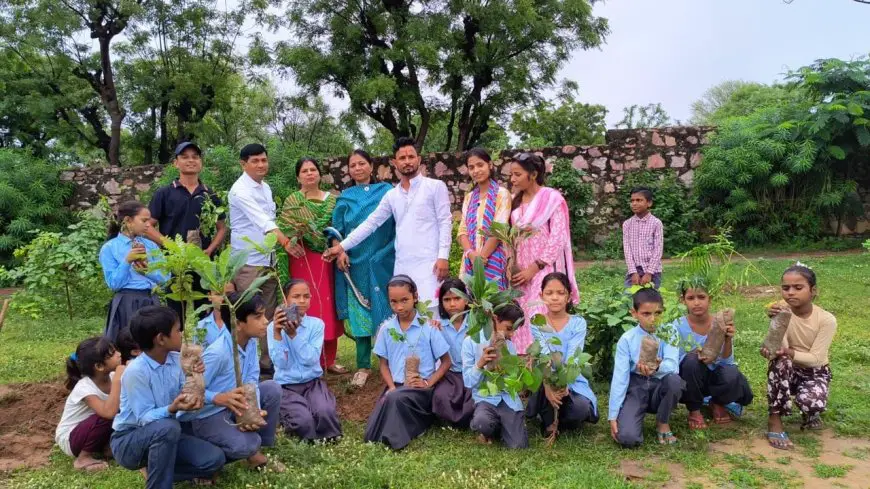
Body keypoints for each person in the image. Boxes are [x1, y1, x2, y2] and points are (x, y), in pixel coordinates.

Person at [324, 137, 452, 312]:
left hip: (430, 264)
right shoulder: (392, 195)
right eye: (402, 158)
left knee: (432, 315)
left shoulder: (435, 187)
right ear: (394, 162)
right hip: (403, 265)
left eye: (411, 157)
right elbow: (371, 223)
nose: (407, 162)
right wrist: (341, 247)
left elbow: (445, 221)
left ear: (418, 160)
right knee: (405, 316)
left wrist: (443, 256)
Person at [111, 306, 225, 489]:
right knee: (168, 425)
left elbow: (187, 390)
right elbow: (144, 417)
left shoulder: (175, 360)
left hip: (166, 433)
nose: (181, 334)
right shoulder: (136, 372)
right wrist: (172, 408)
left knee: (214, 460)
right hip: (129, 440)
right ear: (161, 339)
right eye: (177, 330)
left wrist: (198, 380)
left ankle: (156, 468)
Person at [181, 293, 283, 472]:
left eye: (264, 315)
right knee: (246, 445)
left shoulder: (251, 342)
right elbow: (190, 393)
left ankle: (258, 449)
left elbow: (252, 379)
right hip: (209, 414)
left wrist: (254, 411)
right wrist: (218, 397)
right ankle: (215, 450)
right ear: (238, 322)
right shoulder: (218, 353)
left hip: (235, 404)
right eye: (258, 317)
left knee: (272, 389)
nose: (266, 321)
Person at [331, 149, 396, 388]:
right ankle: (362, 366)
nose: (357, 168)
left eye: (362, 163)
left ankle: (390, 362)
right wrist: (340, 251)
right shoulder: (345, 198)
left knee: (387, 310)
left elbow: (398, 223)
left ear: (371, 166)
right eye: (353, 165)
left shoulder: (387, 192)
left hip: (382, 260)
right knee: (360, 317)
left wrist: (387, 252)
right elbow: (336, 232)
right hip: (354, 264)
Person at [229, 143, 296, 374]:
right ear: (243, 164)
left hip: (268, 260)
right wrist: (286, 242)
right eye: (255, 161)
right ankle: (244, 366)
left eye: (263, 160)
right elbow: (263, 222)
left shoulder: (265, 188)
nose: (260, 165)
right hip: (248, 262)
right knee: (249, 314)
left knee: (267, 313)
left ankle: (267, 363)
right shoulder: (240, 190)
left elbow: (272, 218)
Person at [364, 275, 452, 450]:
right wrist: (390, 387)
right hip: (395, 387)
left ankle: (396, 439)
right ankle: (402, 427)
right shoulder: (386, 329)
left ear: (415, 297)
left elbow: (446, 362)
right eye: (393, 302)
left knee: (395, 400)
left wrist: (428, 383)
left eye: (404, 300)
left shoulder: (429, 327)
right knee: (370, 433)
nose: (399, 307)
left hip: (421, 390)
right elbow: (383, 364)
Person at [146, 142, 227, 325]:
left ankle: (205, 350)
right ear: (176, 163)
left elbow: (222, 228)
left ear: (201, 163)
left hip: (203, 263)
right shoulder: (165, 194)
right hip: (175, 264)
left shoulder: (210, 195)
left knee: (205, 311)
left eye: (195, 157)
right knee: (175, 315)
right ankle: (177, 350)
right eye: (185, 157)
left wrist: (210, 249)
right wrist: (170, 246)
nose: (191, 160)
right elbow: (147, 226)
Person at [279, 157, 345, 374]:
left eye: (313, 169)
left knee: (326, 304)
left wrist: (334, 245)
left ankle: (329, 359)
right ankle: (299, 356)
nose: (309, 173)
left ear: (319, 174)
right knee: (299, 302)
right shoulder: (292, 201)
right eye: (304, 170)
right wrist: (295, 237)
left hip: (325, 258)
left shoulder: (333, 201)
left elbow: (338, 229)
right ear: (298, 176)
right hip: (301, 257)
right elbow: (285, 230)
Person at [508, 153, 579, 354]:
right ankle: (525, 368)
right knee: (520, 318)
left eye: (517, 174)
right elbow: (510, 236)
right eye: (511, 175)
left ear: (533, 174)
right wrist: (513, 265)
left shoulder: (551, 198)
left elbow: (558, 236)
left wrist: (536, 266)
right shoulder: (515, 201)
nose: (512, 179)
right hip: (520, 272)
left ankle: (547, 367)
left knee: (539, 314)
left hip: (544, 269)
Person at [763, 264, 836, 450]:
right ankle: (775, 418)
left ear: (813, 291)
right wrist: (775, 330)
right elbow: (781, 347)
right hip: (788, 369)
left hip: (815, 371)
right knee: (781, 361)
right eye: (785, 288)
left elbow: (817, 358)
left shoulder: (826, 320)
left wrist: (788, 353)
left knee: (811, 402)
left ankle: (811, 413)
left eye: (798, 287)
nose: (790, 293)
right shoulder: (781, 310)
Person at [268, 279, 342, 441]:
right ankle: (290, 417)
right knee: (303, 421)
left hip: (312, 382)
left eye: (306, 296)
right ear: (285, 300)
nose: (302, 301)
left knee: (325, 413)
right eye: (296, 296)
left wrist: (294, 335)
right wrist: (277, 334)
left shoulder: (316, 325)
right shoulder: (273, 328)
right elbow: (281, 363)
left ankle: (324, 431)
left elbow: (310, 359)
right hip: (287, 386)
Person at [609, 288, 684, 447]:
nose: (653, 319)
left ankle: (663, 422)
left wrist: (657, 368)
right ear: (634, 313)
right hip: (636, 386)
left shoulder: (669, 332)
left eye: (658, 313)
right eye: (646, 314)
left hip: (660, 384)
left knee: (675, 381)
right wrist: (613, 415)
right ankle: (632, 415)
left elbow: (673, 366)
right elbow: (620, 378)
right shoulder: (627, 339)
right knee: (628, 438)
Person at [527, 273, 599, 437]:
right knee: (545, 389)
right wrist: (548, 386)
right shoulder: (537, 322)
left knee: (580, 411)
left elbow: (573, 356)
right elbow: (544, 355)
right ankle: (548, 419)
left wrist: (564, 384)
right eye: (549, 293)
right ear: (541, 296)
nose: (554, 298)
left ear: (569, 297)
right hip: (547, 377)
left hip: (572, 378)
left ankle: (558, 416)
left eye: (560, 293)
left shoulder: (578, 323)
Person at [675, 279, 753, 430]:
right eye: (691, 298)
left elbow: (727, 362)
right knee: (690, 361)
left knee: (733, 373)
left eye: (701, 297)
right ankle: (694, 410)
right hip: (691, 379)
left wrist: (728, 339)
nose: (696, 303)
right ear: (683, 300)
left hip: (715, 378)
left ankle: (717, 402)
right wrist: (692, 355)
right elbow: (675, 363)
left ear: (710, 299)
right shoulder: (677, 326)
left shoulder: (720, 323)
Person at [462, 303, 529, 449]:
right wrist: (480, 364)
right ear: (495, 319)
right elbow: (468, 381)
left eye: (514, 330)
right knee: (482, 423)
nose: (511, 334)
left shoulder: (509, 346)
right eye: (509, 328)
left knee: (519, 445)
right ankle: (486, 428)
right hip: (485, 399)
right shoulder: (471, 342)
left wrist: (518, 372)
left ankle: (504, 425)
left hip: (508, 400)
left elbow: (513, 380)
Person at [99, 201, 168, 343]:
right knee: (129, 345)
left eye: (149, 220)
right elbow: (114, 284)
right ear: (128, 221)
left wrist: (147, 271)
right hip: (126, 302)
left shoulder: (151, 245)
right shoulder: (110, 248)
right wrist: (127, 261)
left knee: (154, 344)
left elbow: (166, 278)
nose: (149, 224)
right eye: (144, 220)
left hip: (151, 300)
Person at [55, 337, 124, 472]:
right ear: (99, 366)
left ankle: (106, 447)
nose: (119, 354)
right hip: (71, 439)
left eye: (116, 350)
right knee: (106, 414)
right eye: (112, 354)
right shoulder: (84, 388)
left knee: (121, 408)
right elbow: (108, 412)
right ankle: (83, 459)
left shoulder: (112, 376)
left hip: (91, 432)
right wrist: (118, 381)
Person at [457, 148, 511, 289]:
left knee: (493, 303)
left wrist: (480, 260)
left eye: (480, 165)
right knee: (471, 304)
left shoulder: (502, 194)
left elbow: (498, 230)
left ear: (490, 165)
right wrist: (471, 255)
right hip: (470, 261)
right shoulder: (469, 198)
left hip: (493, 259)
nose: (476, 170)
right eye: (471, 167)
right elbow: (462, 231)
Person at [431, 278, 474, 428]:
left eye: (457, 298)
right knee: (440, 396)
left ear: (466, 299)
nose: (452, 304)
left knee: (474, 397)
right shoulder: (437, 325)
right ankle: (451, 421)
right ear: (441, 302)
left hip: (473, 372)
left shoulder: (476, 321)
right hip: (449, 374)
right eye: (447, 299)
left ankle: (467, 420)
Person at [622, 187, 663, 289]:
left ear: (649, 203)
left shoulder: (656, 223)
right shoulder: (627, 224)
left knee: (651, 301)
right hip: (634, 270)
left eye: (639, 200)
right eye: (632, 201)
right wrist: (633, 272)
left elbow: (658, 249)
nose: (634, 203)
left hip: (653, 271)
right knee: (629, 300)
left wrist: (649, 273)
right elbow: (627, 250)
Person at [194, 285, 234, 351]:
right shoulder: (199, 327)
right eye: (218, 294)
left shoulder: (242, 326)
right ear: (209, 296)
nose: (223, 298)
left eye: (229, 294)